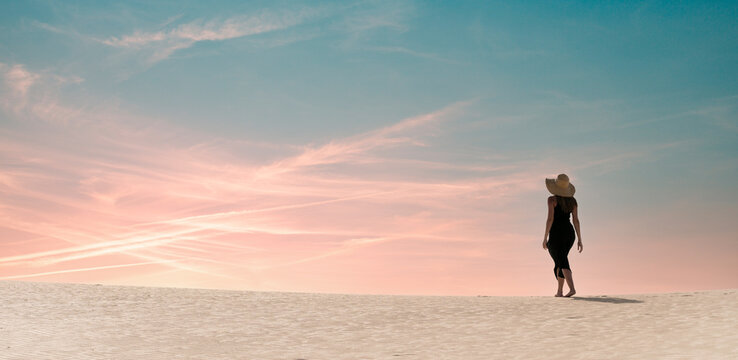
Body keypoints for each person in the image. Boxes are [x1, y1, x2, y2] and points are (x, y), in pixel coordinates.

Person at [542, 174, 583, 297]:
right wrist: (579, 239)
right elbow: (576, 220)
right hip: (569, 233)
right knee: (560, 260)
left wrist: (545, 238)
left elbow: (550, 219)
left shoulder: (552, 200)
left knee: (562, 260)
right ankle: (559, 291)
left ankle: (572, 288)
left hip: (556, 233)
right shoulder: (573, 202)